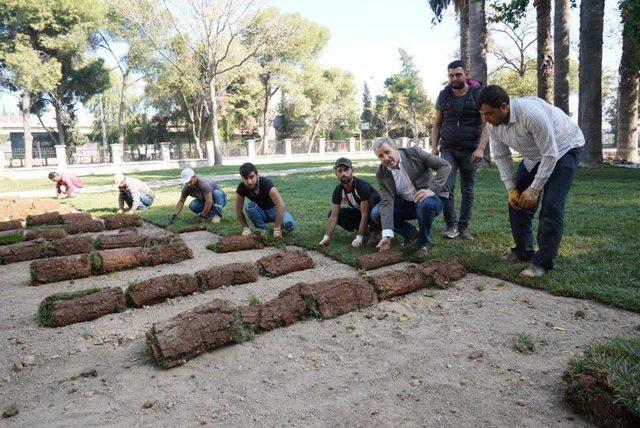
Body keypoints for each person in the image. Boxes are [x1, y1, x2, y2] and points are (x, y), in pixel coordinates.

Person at [476, 85, 585, 277]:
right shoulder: (492, 125)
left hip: (564, 148)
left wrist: (534, 190)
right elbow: (501, 156)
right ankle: (523, 251)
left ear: (503, 107)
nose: (486, 119)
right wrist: (511, 188)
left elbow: (550, 154)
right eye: (483, 114)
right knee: (516, 201)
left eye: (489, 114)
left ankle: (542, 264)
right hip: (534, 155)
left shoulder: (531, 115)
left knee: (551, 206)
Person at [432, 59, 486, 240]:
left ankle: (464, 227)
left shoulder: (478, 95)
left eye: (458, 74)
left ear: (466, 75)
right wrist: (433, 148)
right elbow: (437, 124)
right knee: (446, 187)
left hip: (470, 149)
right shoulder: (443, 95)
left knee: (468, 189)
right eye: (451, 75)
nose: (454, 78)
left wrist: (480, 148)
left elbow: (488, 125)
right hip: (447, 148)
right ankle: (451, 225)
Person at [370, 137, 451, 255]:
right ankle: (413, 234)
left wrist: (430, 190)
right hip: (407, 204)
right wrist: (387, 235)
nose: (385, 158)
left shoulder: (414, 153)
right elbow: (387, 202)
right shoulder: (382, 173)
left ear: (395, 148)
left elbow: (445, 165)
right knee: (376, 213)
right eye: (381, 156)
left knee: (425, 203)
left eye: (387, 152)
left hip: (431, 200)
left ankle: (422, 243)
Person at [318, 157, 381, 248]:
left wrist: (359, 238)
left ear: (352, 170)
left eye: (346, 169)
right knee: (332, 213)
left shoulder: (361, 185)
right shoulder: (338, 190)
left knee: (374, 198)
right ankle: (365, 230)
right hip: (361, 213)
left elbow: (365, 213)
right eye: (340, 171)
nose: (344, 173)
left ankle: (375, 231)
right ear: (336, 174)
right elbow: (334, 216)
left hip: (375, 214)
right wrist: (327, 236)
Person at [235, 162, 296, 238]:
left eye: (251, 177)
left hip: (274, 211)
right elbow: (238, 209)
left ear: (257, 175)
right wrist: (245, 227)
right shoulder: (241, 187)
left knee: (289, 225)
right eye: (246, 178)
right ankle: (263, 230)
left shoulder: (266, 183)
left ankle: (277, 226)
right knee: (249, 206)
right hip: (260, 212)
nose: (249, 182)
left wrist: (277, 228)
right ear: (242, 178)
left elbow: (281, 205)